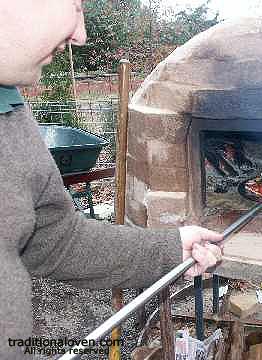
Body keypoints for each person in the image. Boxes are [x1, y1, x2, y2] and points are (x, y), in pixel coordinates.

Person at [0, 1, 223, 359]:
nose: (82, 34)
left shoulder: (11, 112)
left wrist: (169, 249)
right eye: (74, 5)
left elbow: (56, 239)